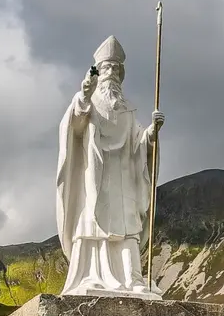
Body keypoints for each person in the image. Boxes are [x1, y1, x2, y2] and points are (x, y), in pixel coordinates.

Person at [57, 34, 164, 298]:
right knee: (93, 224)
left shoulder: (127, 109)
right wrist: (82, 96)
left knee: (128, 227)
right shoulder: (88, 102)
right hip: (95, 177)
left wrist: (152, 132)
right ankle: (91, 275)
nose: (112, 73)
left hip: (123, 177)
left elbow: (138, 141)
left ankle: (132, 278)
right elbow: (76, 125)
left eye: (116, 69)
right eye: (107, 68)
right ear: (99, 73)